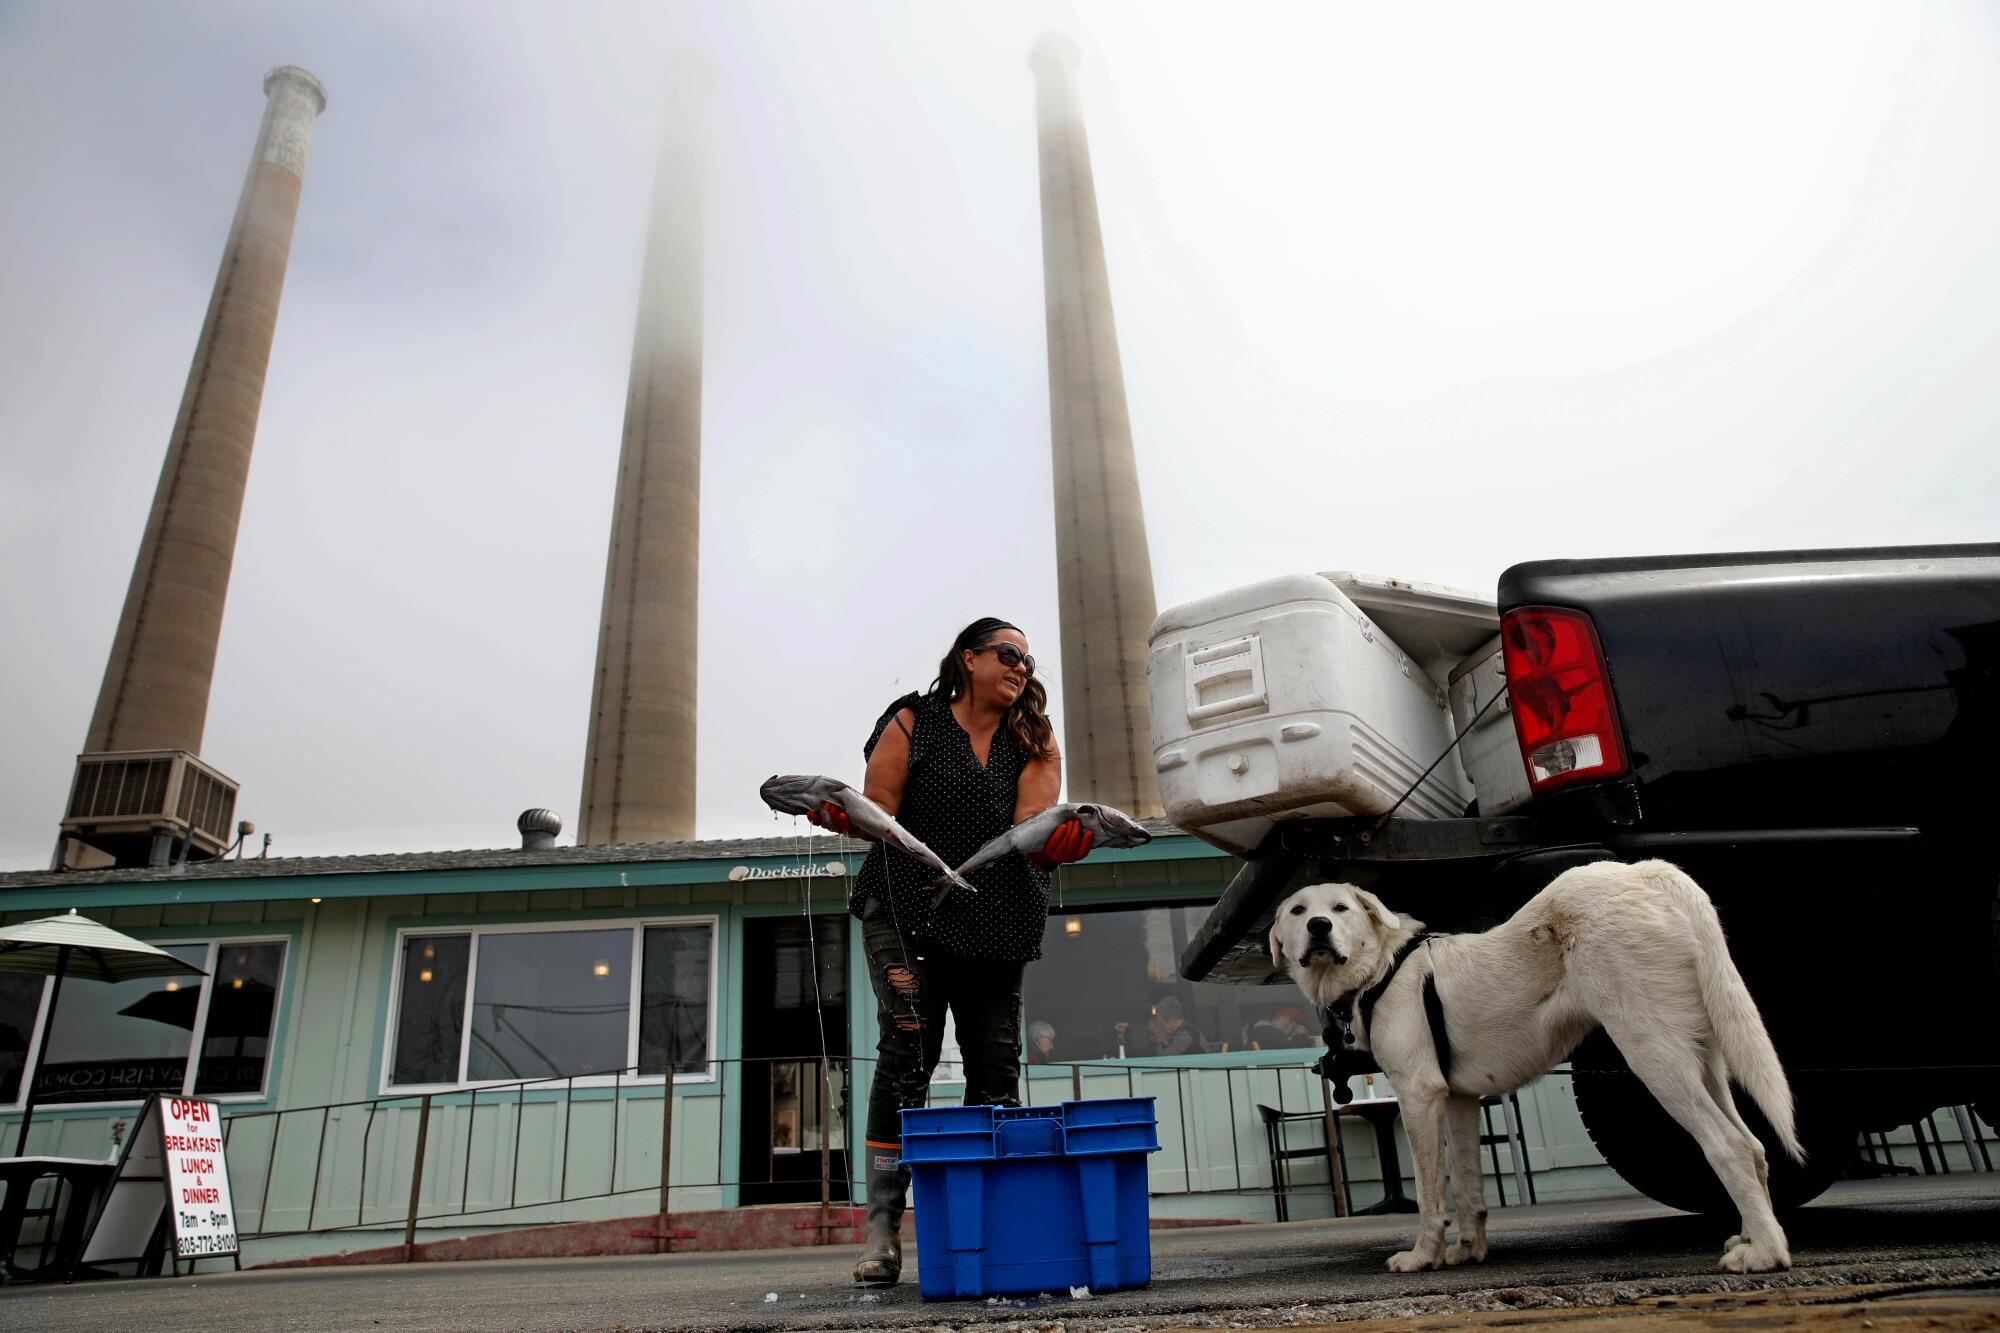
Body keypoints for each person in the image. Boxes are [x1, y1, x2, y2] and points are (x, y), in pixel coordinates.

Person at [815, 617, 1094, 1286]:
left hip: (997, 912)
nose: (1022, 666)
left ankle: (986, 1226)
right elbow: (874, 811)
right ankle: (883, 1230)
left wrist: (1060, 840)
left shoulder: (1034, 736)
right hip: (904, 904)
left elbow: (1032, 830)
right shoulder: (912, 721)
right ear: (968, 658)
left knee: (995, 1065)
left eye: (1028, 658)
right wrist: (836, 811)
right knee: (907, 1051)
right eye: (1008, 653)